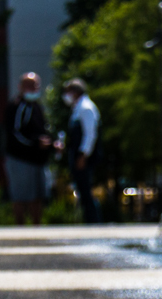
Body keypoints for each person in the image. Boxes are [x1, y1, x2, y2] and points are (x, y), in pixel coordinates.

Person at [4, 72, 51, 225]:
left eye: (36, 85)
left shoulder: (37, 106)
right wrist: (35, 143)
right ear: (21, 87)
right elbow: (15, 133)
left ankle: (37, 228)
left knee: (37, 197)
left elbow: (43, 131)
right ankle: (21, 229)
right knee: (22, 197)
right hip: (20, 159)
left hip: (37, 160)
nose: (34, 88)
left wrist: (52, 143)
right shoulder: (16, 106)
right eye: (29, 85)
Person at [61, 78, 101, 224]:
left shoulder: (86, 108)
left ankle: (94, 222)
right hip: (78, 156)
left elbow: (90, 133)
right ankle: (89, 220)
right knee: (82, 191)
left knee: (86, 190)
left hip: (83, 158)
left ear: (75, 92)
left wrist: (83, 155)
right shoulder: (77, 108)